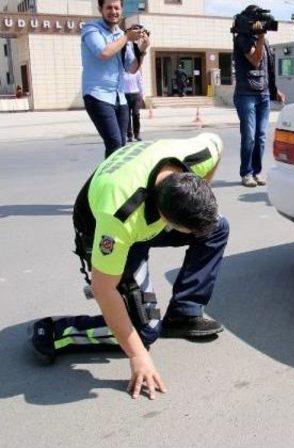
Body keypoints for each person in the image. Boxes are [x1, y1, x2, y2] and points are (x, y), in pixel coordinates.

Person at [29, 133, 229, 400]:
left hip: (147, 215)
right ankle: (56, 331)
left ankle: (184, 312)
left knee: (216, 227)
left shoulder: (197, 154)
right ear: (166, 219)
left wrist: (203, 193)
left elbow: (217, 141)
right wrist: (137, 355)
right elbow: (103, 289)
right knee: (144, 333)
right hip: (101, 230)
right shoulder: (119, 216)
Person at [82, 0, 150, 157]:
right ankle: (106, 181)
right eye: (109, 7)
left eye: (116, 8)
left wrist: (143, 49)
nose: (113, 11)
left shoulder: (120, 35)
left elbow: (132, 68)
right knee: (115, 144)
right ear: (100, 9)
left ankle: (107, 180)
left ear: (121, 10)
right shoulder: (91, 29)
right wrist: (126, 37)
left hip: (120, 98)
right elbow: (103, 53)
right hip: (97, 95)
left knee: (120, 146)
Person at [232, 4, 285, 188]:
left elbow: (268, 67)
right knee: (249, 136)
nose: (262, 25)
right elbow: (255, 61)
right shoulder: (242, 39)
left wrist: (275, 90)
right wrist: (261, 37)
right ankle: (246, 173)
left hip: (263, 94)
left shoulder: (265, 42)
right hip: (246, 94)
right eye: (258, 20)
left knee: (261, 136)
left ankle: (256, 172)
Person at [124, 70, 144, 142]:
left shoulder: (136, 71)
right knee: (127, 116)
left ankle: (137, 134)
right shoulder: (122, 71)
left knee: (136, 114)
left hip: (135, 94)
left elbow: (140, 83)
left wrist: (142, 95)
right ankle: (129, 135)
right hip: (125, 95)